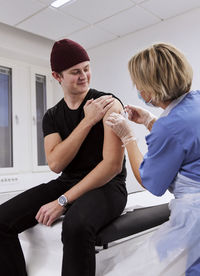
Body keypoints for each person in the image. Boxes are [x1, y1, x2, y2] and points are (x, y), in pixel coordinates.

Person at [0, 39, 127, 276]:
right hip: (68, 182)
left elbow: (111, 166)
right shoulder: (52, 116)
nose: (84, 76)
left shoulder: (109, 104)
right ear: (57, 77)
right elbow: (56, 163)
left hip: (108, 186)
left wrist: (62, 201)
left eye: (87, 68)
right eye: (75, 72)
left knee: (75, 226)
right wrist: (88, 121)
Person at [105, 43, 200, 276]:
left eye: (137, 83)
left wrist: (128, 137)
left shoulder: (169, 128)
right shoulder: (196, 101)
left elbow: (151, 183)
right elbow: (185, 142)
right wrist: (149, 121)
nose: (136, 88)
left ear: (151, 87)